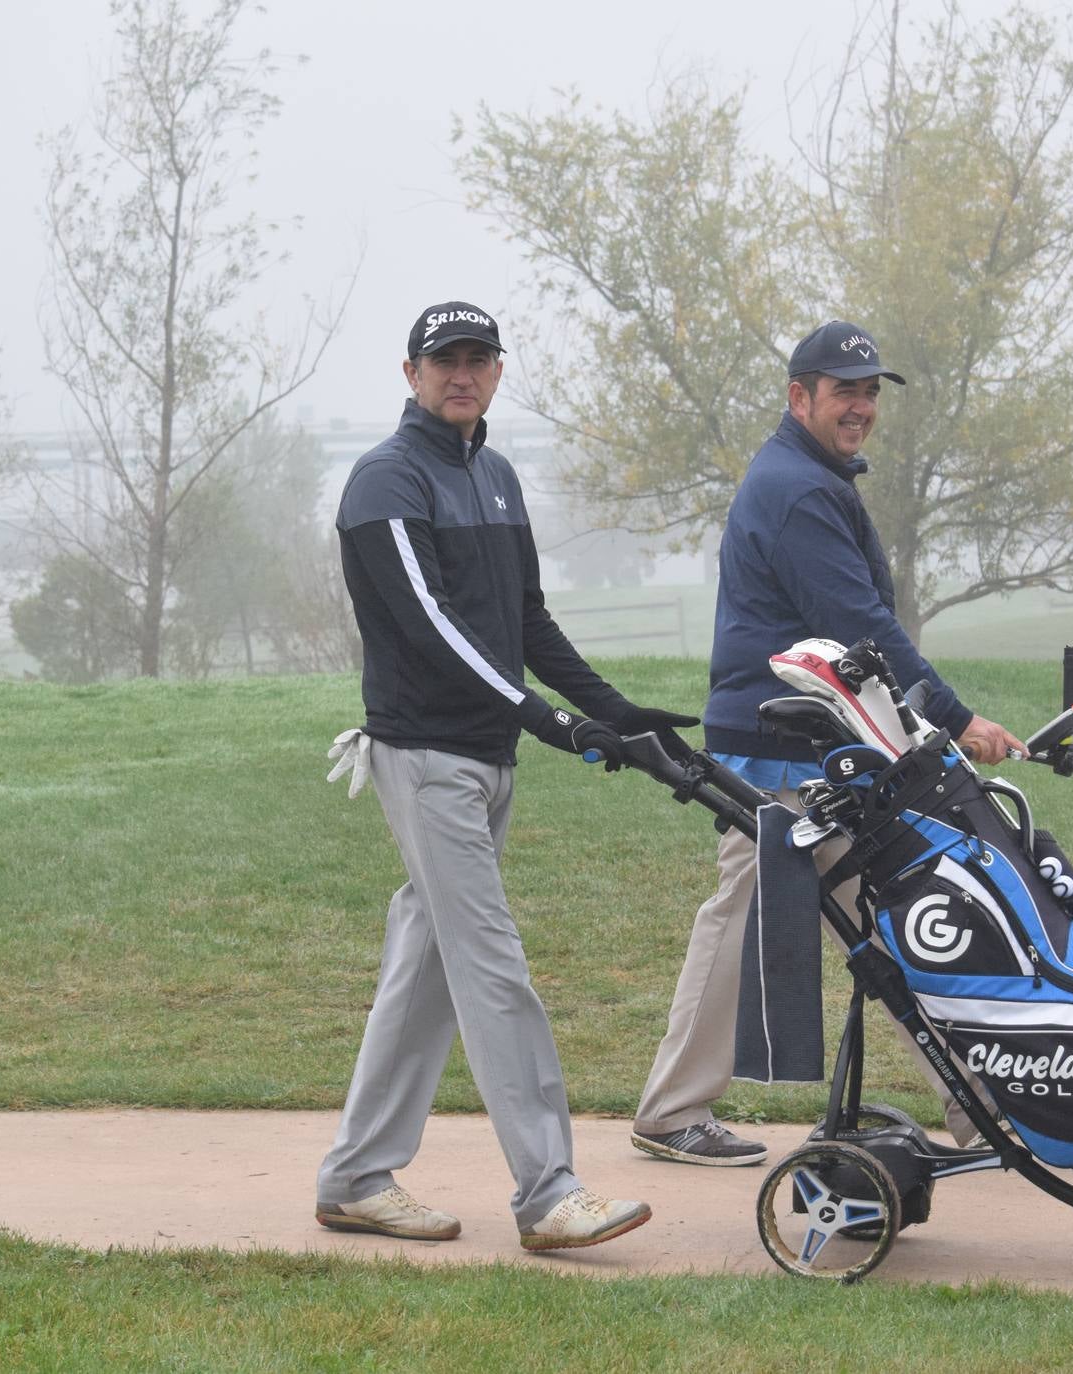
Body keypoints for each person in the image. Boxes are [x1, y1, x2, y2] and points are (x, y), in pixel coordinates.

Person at [315, 300, 695, 1251]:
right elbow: (434, 632)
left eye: (479, 359)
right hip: (426, 754)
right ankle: (547, 1192)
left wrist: (612, 712)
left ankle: (358, 1175)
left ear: (495, 373)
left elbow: (524, 624)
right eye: (444, 359)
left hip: (485, 757)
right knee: (491, 964)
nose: (463, 373)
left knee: (429, 963)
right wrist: (549, 721)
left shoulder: (494, 475)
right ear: (411, 373)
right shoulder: (384, 484)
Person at [630, 319, 1026, 1166]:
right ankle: (982, 1107)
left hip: (807, 742)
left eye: (869, 392)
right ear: (797, 395)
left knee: (888, 922)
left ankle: (982, 1107)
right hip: (782, 750)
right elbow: (857, 625)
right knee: (781, 921)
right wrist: (952, 719)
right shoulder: (799, 489)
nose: (860, 407)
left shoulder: (806, 476)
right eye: (843, 391)